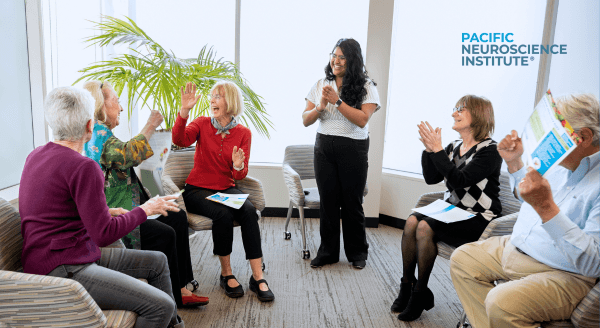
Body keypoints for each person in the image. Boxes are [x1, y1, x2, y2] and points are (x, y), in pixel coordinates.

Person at [19, 86, 184, 328]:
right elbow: (104, 234)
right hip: (64, 268)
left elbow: (54, 208)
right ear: (89, 125)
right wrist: (145, 210)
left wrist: (105, 211)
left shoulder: (36, 155)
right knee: (161, 305)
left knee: (158, 261)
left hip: (56, 256)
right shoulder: (84, 167)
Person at [450, 93, 600, 328]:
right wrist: (514, 164)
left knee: (500, 303)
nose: (545, 140)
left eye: (555, 132)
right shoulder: (559, 160)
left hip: (564, 273)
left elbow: (594, 262)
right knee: (462, 259)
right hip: (515, 248)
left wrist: (545, 206)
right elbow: (527, 195)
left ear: (584, 137)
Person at [82, 81, 207, 308]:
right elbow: (128, 155)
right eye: (116, 101)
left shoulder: (104, 132)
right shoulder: (97, 134)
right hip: (118, 212)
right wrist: (151, 125)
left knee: (176, 216)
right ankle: (171, 297)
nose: (120, 108)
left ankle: (182, 284)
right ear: (100, 106)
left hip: (133, 203)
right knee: (165, 234)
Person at [391, 95, 502, 321]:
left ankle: (420, 292)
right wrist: (429, 150)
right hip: (452, 210)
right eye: (454, 109)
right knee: (412, 221)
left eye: (460, 109)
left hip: (478, 217)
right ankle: (407, 285)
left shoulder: (490, 150)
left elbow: (460, 180)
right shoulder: (454, 147)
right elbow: (431, 178)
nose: (454, 113)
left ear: (479, 114)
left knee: (423, 228)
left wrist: (437, 151)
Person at [172, 81, 275, 302]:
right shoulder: (200, 124)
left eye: (218, 96)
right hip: (196, 190)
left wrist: (238, 166)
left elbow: (239, 176)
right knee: (223, 214)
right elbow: (179, 140)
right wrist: (184, 111)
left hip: (226, 189)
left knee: (249, 211)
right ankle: (226, 273)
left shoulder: (243, 133)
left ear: (231, 102)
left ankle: (258, 277)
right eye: (212, 96)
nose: (212, 100)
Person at [302, 38, 380, 270]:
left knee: (351, 203)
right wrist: (321, 105)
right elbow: (306, 120)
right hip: (324, 147)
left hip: (353, 149)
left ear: (352, 60)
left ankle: (357, 253)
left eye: (342, 57)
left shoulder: (367, 86)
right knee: (328, 202)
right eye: (334, 55)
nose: (336, 61)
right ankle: (327, 252)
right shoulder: (321, 84)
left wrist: (337, 101)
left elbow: (362, 120)